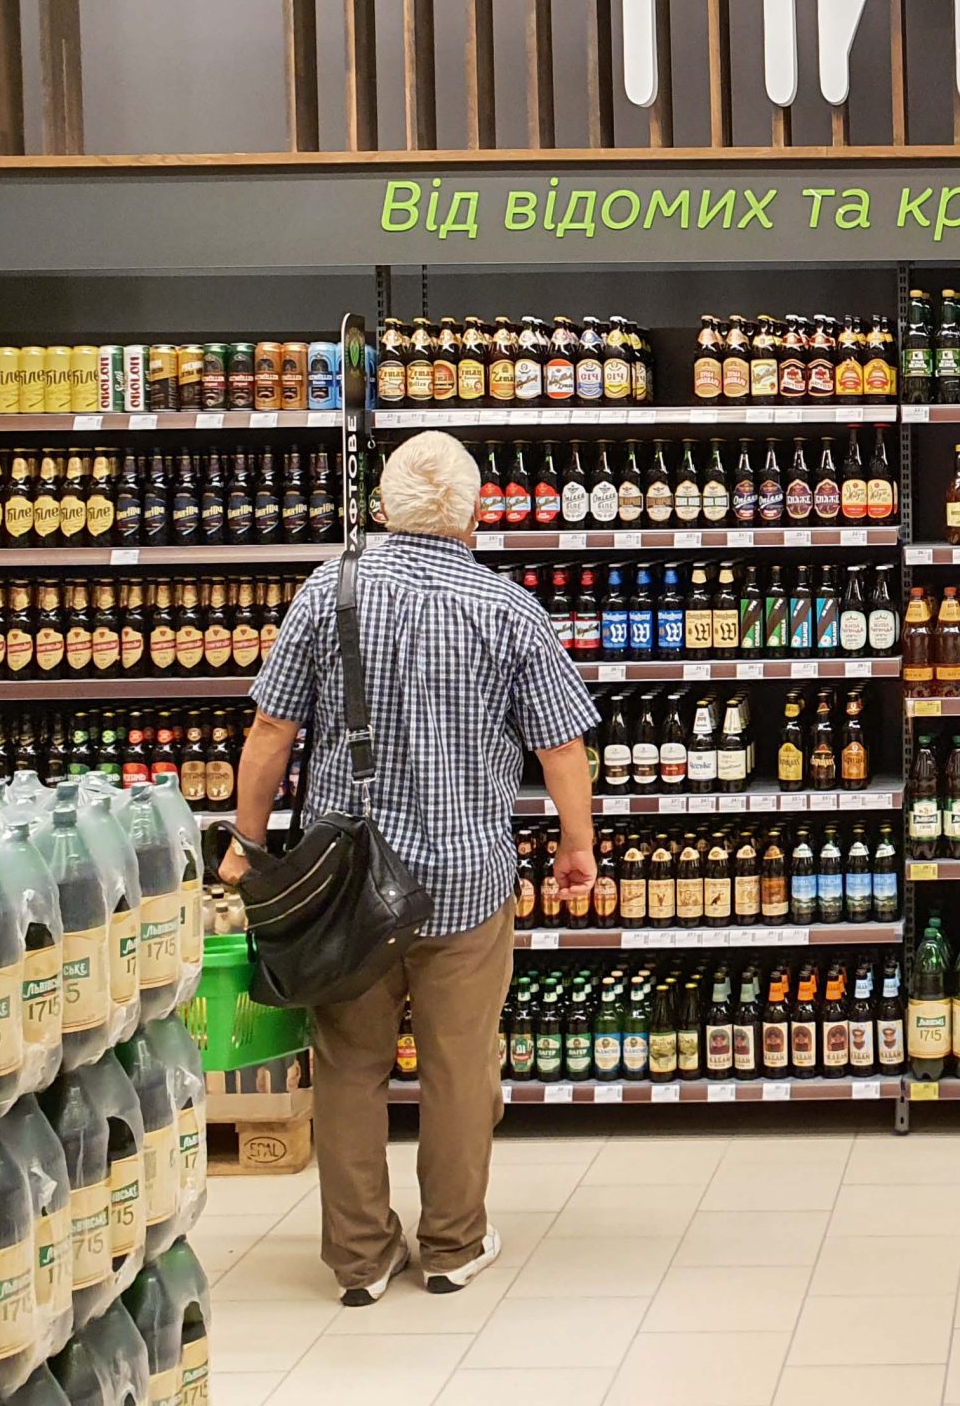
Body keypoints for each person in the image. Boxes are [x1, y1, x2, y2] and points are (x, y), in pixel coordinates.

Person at [219, 428, 598, 1305]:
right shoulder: (509, 609)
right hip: (466, 880)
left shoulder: (329, 592)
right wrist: (576, 845)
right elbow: (561, 747)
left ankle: (360, 1260)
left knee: (349, 1066)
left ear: (381, 510)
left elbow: (271, 729)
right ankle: (452, 1247)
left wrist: (246, 842)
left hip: (347, 887)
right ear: (476, 515)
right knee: (460, 1069)